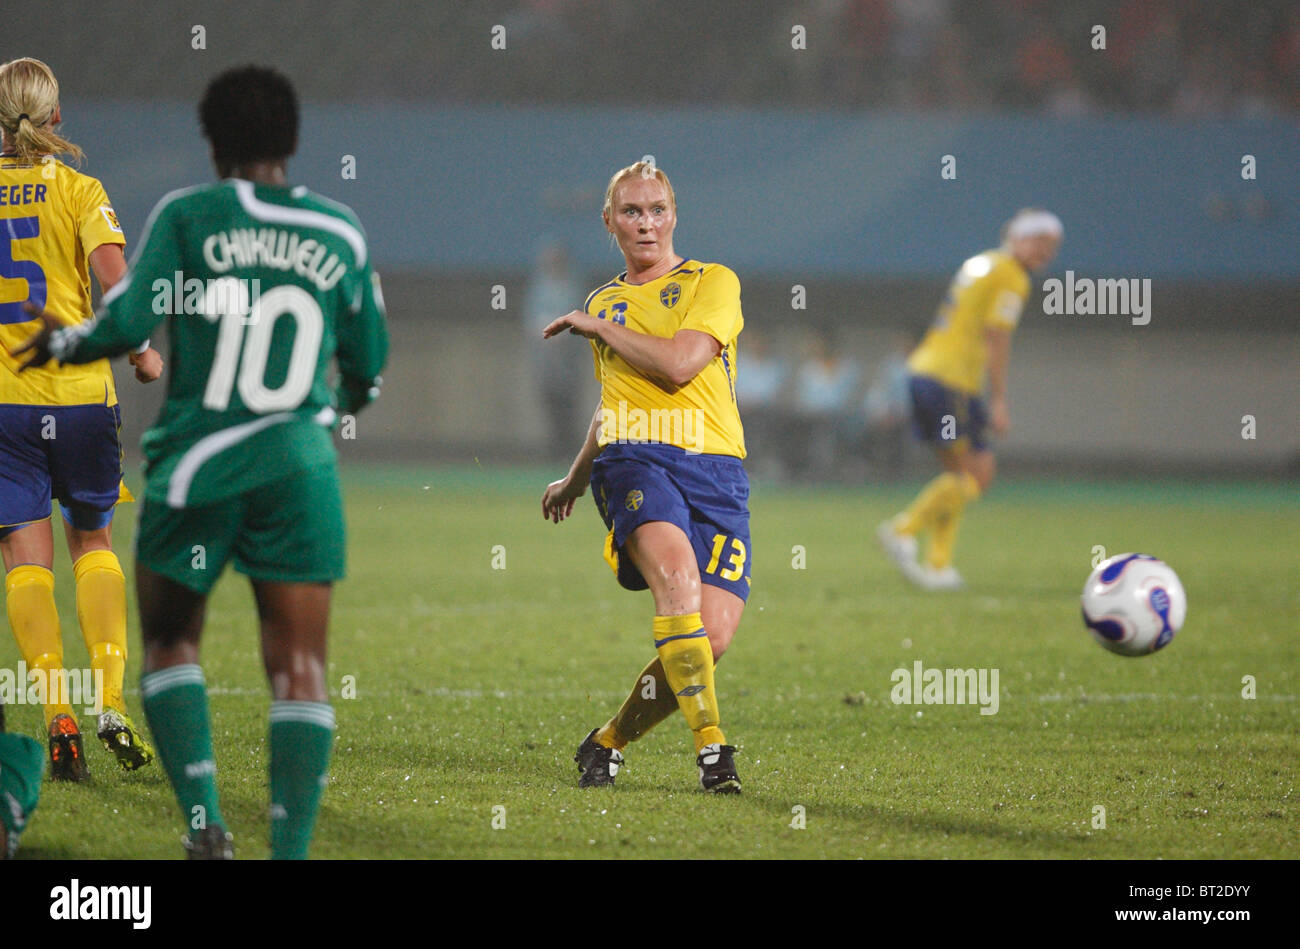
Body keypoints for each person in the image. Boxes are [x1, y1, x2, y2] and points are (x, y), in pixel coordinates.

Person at [15, 66, 389, 858]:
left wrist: (70, 341)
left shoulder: (189, 216)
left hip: (196, 467)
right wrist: (336, 409)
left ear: (213, 143)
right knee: (300, 667)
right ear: (292, 140)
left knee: (173, 643)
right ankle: (288, 852)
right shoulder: (340, 232)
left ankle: (203, 825)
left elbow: (126, 319)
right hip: (298, 468)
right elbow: (368, 367)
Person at [541, 160, 748, 793]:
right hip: (636, 461)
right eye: (631, 211)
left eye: (657, 209)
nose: (647, 222)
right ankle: (712, 750)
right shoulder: (605, 301)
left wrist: (596, 325)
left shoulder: (713, 281)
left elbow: (684, 363)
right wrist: (576, 480)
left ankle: (606, 742)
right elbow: (613, 410)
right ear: (610, 223)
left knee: (708, 638)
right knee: (677, 581)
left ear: (674, 215)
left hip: (718, 471)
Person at [0, 57, 163, 781]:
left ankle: (55, 712)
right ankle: (110, 700)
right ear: (55, 118)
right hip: (80, 401)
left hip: (6, 405)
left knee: (25, 559)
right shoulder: (81, 189)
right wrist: (142, 351)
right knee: (92, 538)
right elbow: (116, 286)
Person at [878, 208, 1062, 589]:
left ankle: (939, 565)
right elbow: (997, 336)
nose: (1046, 253)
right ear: (1017, 238)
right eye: (1040, 243)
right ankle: (903, 529)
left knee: (956, 476)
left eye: (1052, 247)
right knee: (979, 475)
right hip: (952, 380)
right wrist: (998, 398)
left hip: (925, 372)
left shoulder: (982, 263)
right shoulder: (1011, 276)